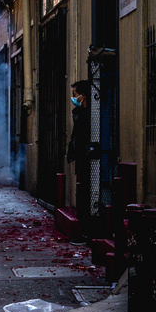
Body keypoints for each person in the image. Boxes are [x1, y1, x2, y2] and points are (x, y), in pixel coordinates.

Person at [67, 79, 91, 235]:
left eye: (75, 94)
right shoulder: (78, 112)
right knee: (82, 186)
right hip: (81, 154)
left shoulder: (87, 113)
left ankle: (86, 223)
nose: (73, 98)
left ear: (83, 95)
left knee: (86, 187)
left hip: (87, 154)